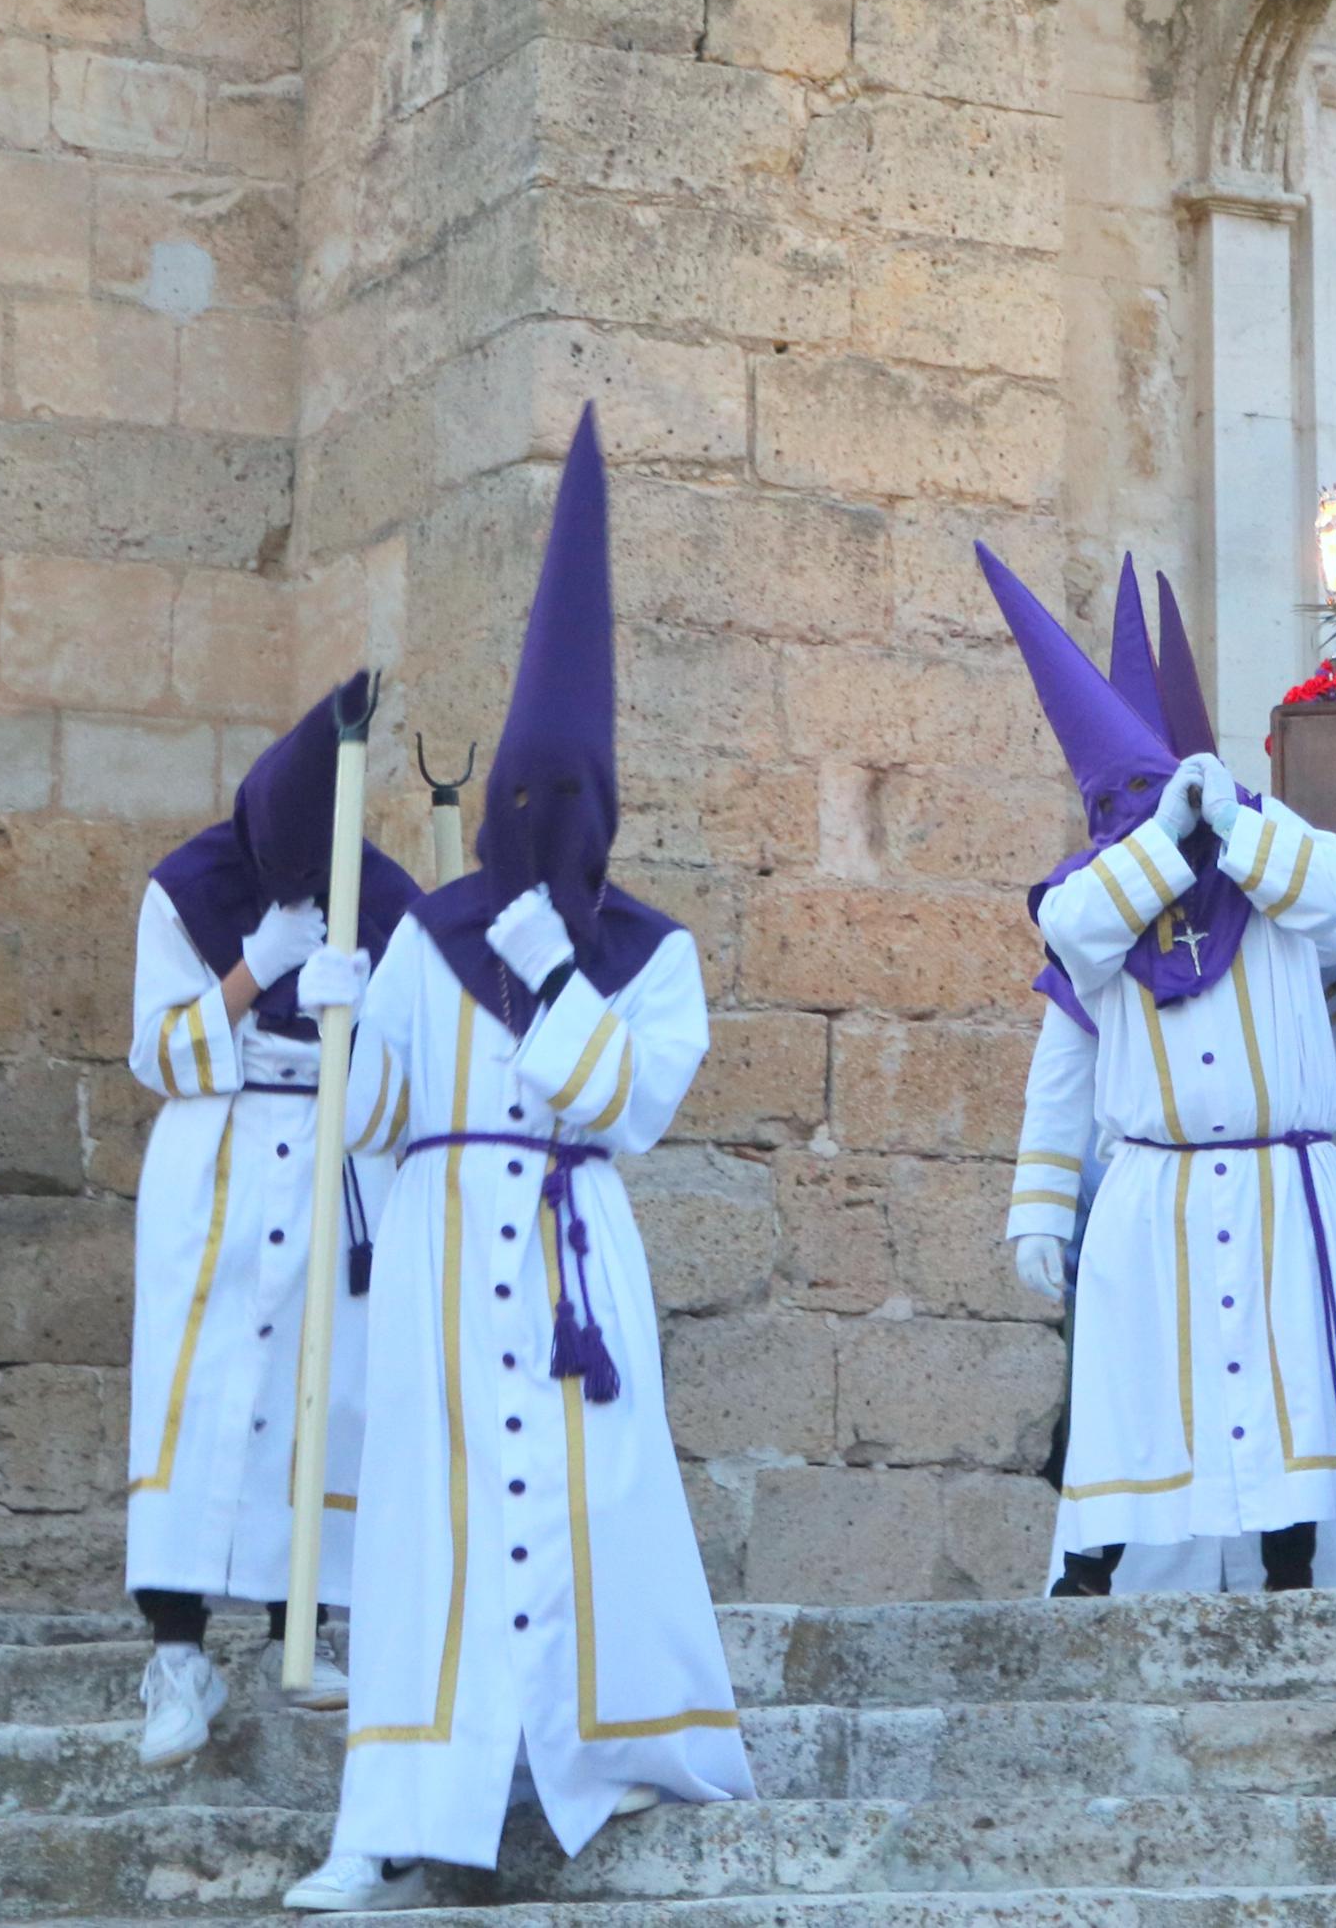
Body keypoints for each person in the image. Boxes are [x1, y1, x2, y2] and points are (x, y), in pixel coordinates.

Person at [285, 409, 750, 1912]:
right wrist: (341, 1015)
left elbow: (626, 1107)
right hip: (435, 1244)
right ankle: (392, 1807)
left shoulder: (649, 954)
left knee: (591, 1495)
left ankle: (609, 1752)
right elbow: (364, 1128)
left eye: (573, 805)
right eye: (525, 804)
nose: (546, 830)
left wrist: (554, 977)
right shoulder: (427, 933)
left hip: (568, 1253)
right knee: (429, 1512)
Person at [986, 542, 1336, 1596]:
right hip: (1156, 1191)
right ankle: (1091, 1571)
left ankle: (1288, 1561)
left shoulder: (1269, 866)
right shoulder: (1100, 907)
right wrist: (1039, 1207)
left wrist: (1229, 821)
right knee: (1140, 1391)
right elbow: (1067, 984)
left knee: (1283, 1388)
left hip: (1279, 1184)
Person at [119, 674, 414, 1760]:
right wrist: (255, 970)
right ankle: (177, 1654)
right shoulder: (186, 889)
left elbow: (404, 1093)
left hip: (334, 1165)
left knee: (323, 1391)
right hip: (219, 1169)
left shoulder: (390, 902)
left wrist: (352, 1018)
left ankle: (308, 1630)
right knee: (195, 1396)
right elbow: (157, 1051)